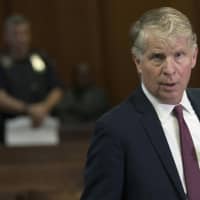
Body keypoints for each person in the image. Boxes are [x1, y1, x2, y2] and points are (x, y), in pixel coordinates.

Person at [80, 7, 200, 200]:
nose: (169, 69)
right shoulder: (114, 130)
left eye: (179, 55)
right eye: (157, 57)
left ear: (193, 56)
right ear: (137, 61)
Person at [0, 14, 63, 143]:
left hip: (43, 125)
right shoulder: (2, 62)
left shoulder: (39, 58)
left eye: (25, 33)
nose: (21, 39)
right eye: (16, 34)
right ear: (6, 36)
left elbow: (57, 89)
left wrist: (44, 108)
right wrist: (28, 109)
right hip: (10, 129)